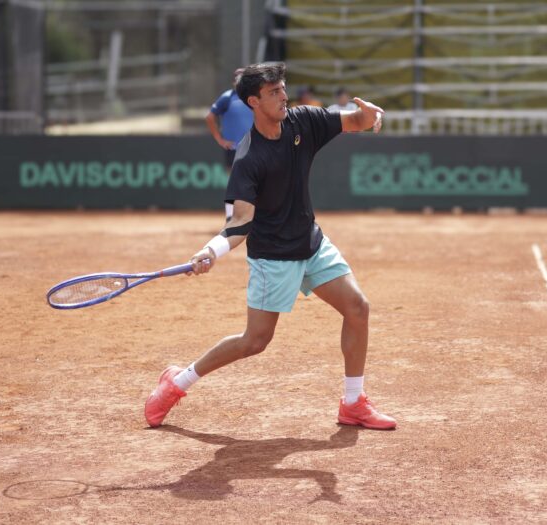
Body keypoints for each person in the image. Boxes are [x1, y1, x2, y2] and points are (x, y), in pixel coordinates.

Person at [144, 62, 394, 430]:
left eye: (283, 88)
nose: (283, 96)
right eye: (274, 92)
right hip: (273, 256)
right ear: (253, 102)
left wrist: (368, 115)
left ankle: (353, 402)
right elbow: (241, 221)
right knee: (255, 341)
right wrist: (211, 251)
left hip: (310, 243)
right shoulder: (249, 158)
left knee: (357, 307)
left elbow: (353, 122)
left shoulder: (303, 121)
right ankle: (177, 381)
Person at [205, 68, 254, 220]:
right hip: (233, 148)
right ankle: (230, 218)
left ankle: (254, 217)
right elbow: (209, 117)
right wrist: (220, 139)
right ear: (235, 81)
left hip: (254, 147)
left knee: (256, 182)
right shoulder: (227, 97)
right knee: (234, 182)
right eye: (238, 78)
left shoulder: (254, 97)